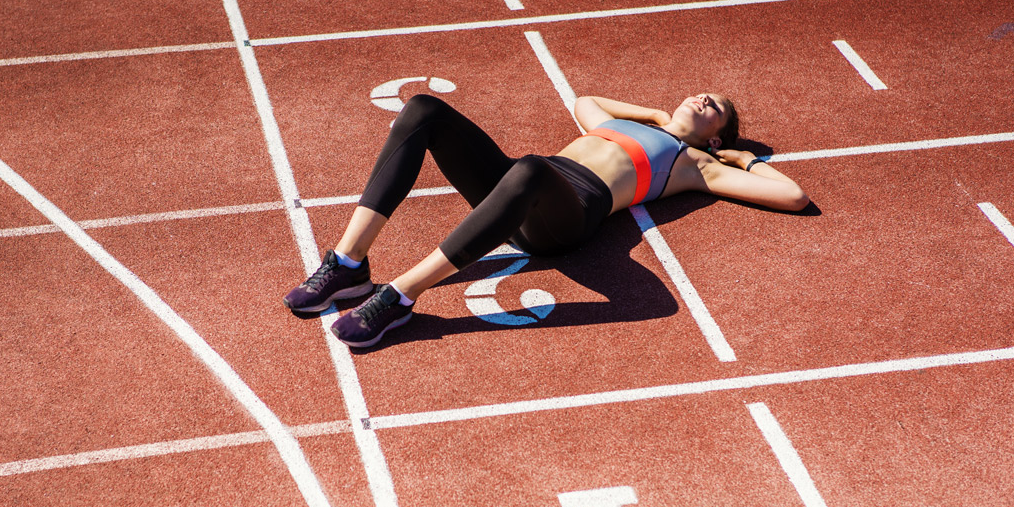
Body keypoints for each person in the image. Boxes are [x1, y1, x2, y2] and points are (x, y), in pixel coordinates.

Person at [284, 93, 808, 347]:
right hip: (516, 188)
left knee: (532, 167)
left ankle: (398, 298)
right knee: (422, 109)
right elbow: (585, 101)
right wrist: (651, 115)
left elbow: (792, 195)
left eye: (714, 105)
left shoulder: (698, 165)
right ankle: (348, 263)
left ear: (716, 135)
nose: (702, 96)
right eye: (701, 91)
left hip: (566, 216)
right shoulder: (621, 123)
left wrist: (744, 158)